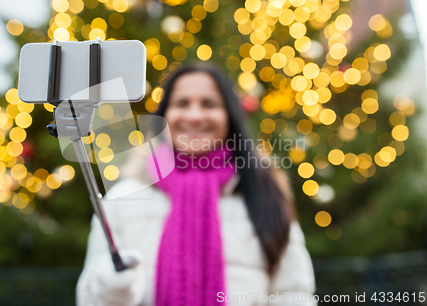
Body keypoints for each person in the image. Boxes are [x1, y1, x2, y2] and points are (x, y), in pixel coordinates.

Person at [76, 63, 317, 306]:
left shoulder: (265, 195)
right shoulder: (122, 200)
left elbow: (294, 295)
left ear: (230, 117)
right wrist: (111, 294)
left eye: (209, 104)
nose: (194, 116)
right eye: (181, 104)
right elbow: (88, 298)